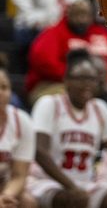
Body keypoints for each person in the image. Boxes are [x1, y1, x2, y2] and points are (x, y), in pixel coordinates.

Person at [27, 49, 107, 208]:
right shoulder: (49, 104)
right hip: (45, 182)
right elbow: (39, 151)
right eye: (81, 78)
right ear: (66, 80)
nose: (87, 84)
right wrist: (71, 186)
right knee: (76, 200)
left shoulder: (101, 109)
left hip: (85, 184)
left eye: (92, 79)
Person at [25, 0, 107, 104]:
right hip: (59, 84)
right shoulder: (53, 33)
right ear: (68, 13)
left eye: (85, 14)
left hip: (104, 86)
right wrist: (80, 80)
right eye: (77, 14)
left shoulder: (102, 34)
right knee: (61, 98)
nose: (81, 19)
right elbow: (44, 62)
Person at [0, 58, 37, 208]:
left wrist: (6, 197)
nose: (1, 93)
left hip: (4, 186)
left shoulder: (22, 120)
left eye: (4, 87)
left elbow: (19, 175)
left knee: (27, 202)